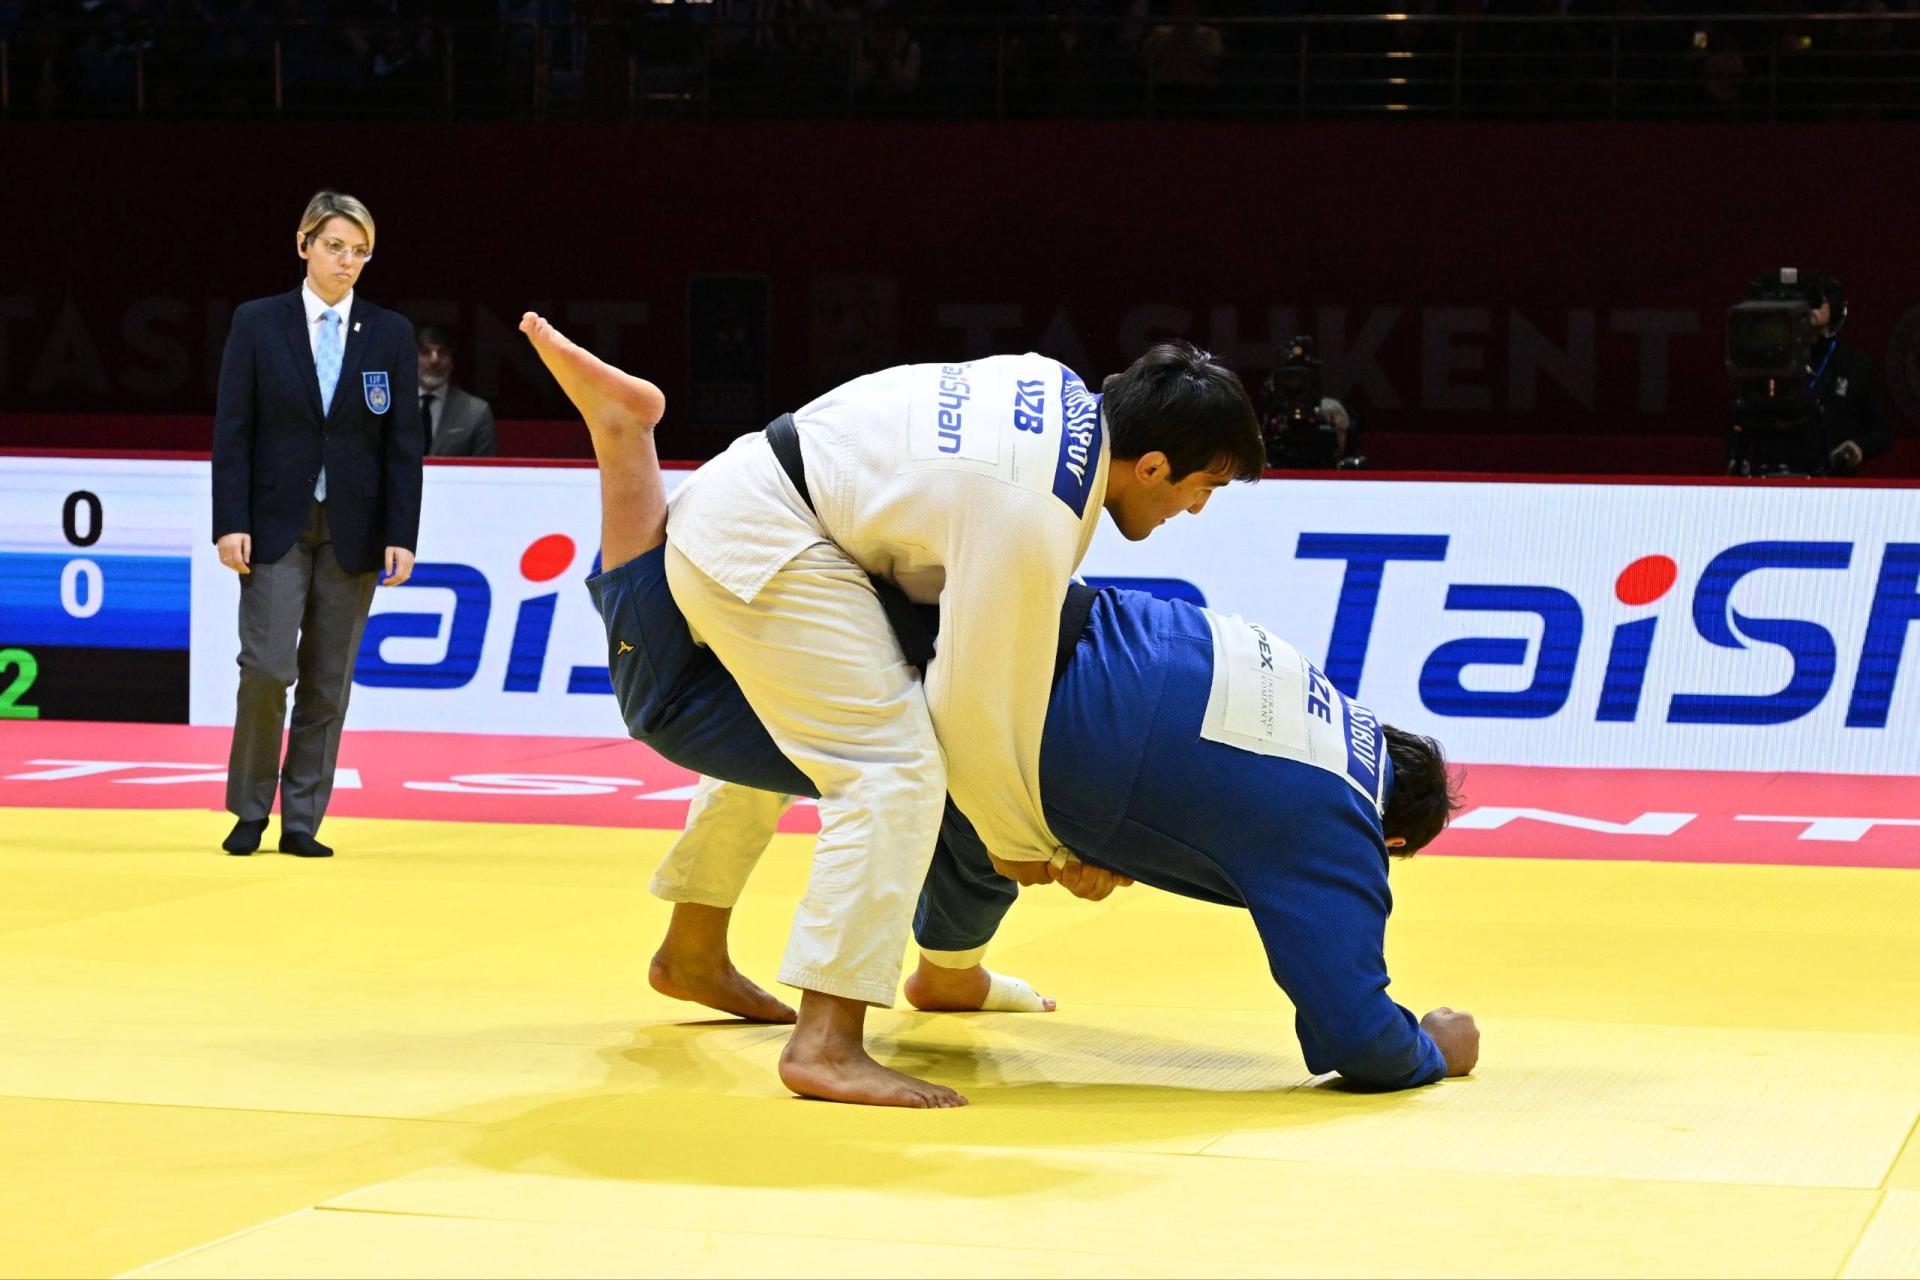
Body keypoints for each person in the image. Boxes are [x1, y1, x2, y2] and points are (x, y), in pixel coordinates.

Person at [520, 312, 1265, 1107]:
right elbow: (974, 711)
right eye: (1204, 488)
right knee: (891, 766)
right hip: (777, 542)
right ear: (1151, 466)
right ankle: (825, 1043)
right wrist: (1030, 846)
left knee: (813, 713)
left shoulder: (1051, 389)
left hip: (752, 497)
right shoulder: (1036, 512)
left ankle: (692, 953)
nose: (1196, 510)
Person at [210, 190, 423, 859]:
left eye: (360, 251)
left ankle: (302, 819)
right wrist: (229, 520)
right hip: (274, 521)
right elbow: (233, 430)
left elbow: (403, 444)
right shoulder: (258, 322)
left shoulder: (389, 332)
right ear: (303, 244)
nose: (347, 261)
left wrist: (402, 533)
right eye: (335, 246)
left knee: (329, 680)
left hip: (355, 527)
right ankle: (250, 809)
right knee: (266, 668)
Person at [1807, 287, 1893, 475]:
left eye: (1818, 300)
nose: (1810, 306)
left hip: (1835, 478)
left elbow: (1883, 433)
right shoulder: (1775, 362)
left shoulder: (1855, 364)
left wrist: (1859, 446)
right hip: (1778, 479)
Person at [417, 325, 498, 458]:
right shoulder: (391, 406)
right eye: (425, 353)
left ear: (452, 361)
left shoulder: (477, 412)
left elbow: (485, 468)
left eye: (442, 353)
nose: (434, 360)